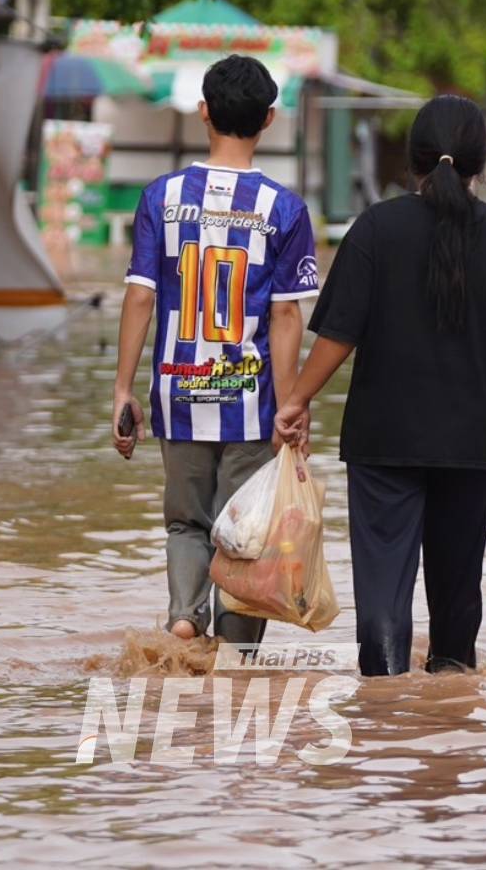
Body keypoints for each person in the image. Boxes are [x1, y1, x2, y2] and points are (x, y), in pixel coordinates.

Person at [275, 96, 486, 677]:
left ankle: (386, 708)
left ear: (415, 159)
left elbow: (338, 335)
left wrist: (295, 401)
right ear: (481, 162)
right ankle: (448, 716)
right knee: (457, 600)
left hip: (383, 440)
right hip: (469, 443)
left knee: (383, 597)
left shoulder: (376, 228)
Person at [110, 54, 319, 642]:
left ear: (203, 111)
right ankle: (234, 650)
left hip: (179, 392)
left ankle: (183, 615)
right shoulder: (284, 209)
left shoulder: (162, 196)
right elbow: (284, 314)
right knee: (245, 530)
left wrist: (124, 390)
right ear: (269, 119)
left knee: (186, 523)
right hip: (250, 398)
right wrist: (290, 405)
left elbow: (141, 298)